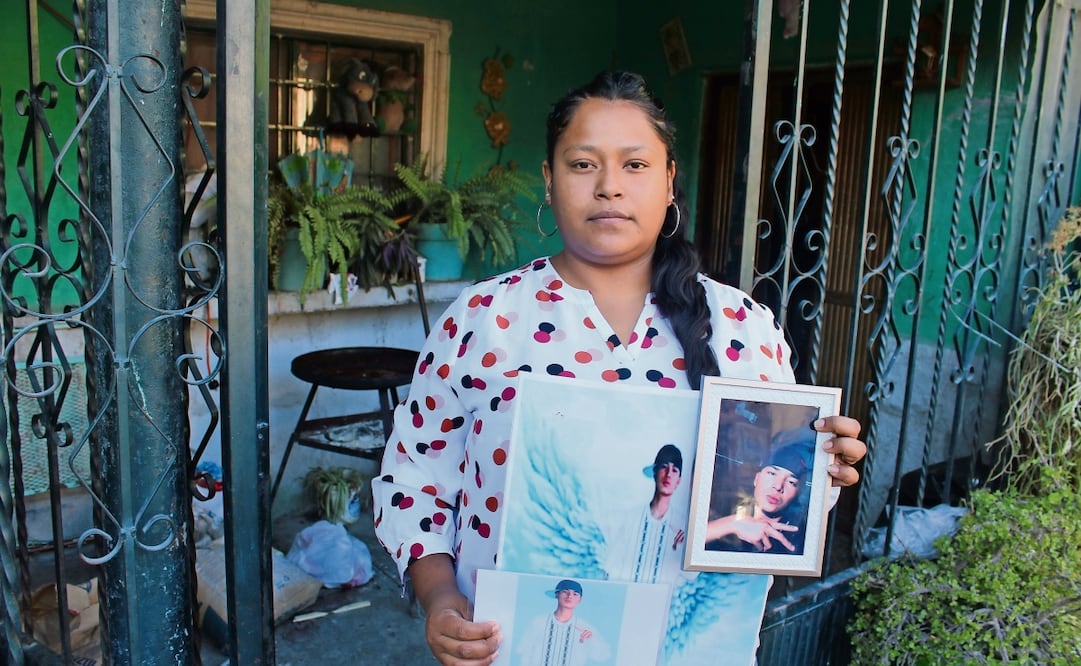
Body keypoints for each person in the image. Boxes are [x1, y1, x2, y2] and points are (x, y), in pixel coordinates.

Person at [372, 70, 867, 666]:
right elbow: (416, 482)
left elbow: (757, 506)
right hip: (518, 650)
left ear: (668, 183)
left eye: (635, 165)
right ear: (549, 182)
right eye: (583, 164)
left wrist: (820, 474)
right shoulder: (483, 320)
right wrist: (442, 598)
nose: (609, 186)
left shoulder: (744, 329)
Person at [704, 433, 814, 554]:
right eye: (772, 474)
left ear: (798, 493)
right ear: (757, 478)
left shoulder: (802, 534)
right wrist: (732, 524)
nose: (778, 486)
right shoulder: (721, 508)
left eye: (791, 482)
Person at [603, 444, 687, 583]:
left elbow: (691, 576)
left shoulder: (683, 526)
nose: (668, 474)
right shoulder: (630, 518)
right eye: (664, 467)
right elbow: (608, 567)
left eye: (674, 470)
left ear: (679, 480)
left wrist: (683, 547)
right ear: (654, 472)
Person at [516, 579, 610, 666]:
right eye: (565, 591)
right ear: (557, 594)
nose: (570, 596)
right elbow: (523, 651)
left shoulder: (585, 628)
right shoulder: (538, 622)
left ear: (580, 600)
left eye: (575, 594)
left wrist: (590, 640)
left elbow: (603, 656)